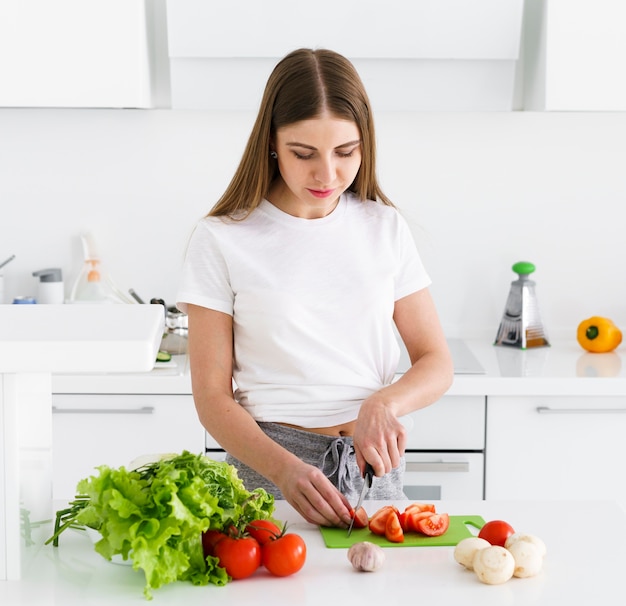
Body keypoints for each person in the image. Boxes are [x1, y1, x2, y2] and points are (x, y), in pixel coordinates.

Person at [176, 48, 453, 528]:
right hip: (271, 474)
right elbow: (212, 398)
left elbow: (436, 362)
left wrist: (384, 403)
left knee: (378, 598)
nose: (327, 175)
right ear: (272, 144)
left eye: (345, 152)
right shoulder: (222, 238)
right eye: (304, 154)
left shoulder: (384, 227)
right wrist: (284, 469)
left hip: (375, 467)